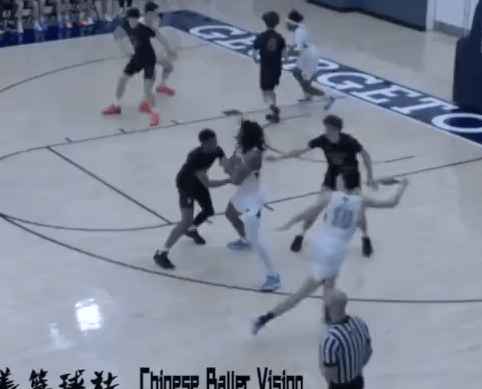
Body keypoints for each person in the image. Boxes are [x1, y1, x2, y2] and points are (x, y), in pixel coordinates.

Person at [252, 177, 408, 335]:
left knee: (327, 287)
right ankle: (265, 318)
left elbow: (307, 213)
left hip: (321, 247)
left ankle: (327, 319)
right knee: (304, 294)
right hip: (334, 253)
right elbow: (391, 203)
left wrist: (289, 223)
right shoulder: (361, 201)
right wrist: (402, 186)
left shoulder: (331, 196)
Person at [269, 114, 377, 256]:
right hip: (331, 178)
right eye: (325, 127)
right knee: (317, 207)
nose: (326, 130)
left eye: (328, 127)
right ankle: (301, 234)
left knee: (358, 211)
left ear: (336, 129)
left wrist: (370, 176)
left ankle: (365, 238)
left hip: (351, 179)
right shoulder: (322, 140)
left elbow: (365, 155)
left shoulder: (349, 141)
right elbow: (300, 151)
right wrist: (279, 158)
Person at [153, 129, 231, 270]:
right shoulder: (195, 157)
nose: (216, 144)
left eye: (216, 140)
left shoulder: (217, 150)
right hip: (186, 185)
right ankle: (161, 253)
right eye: (212, 142)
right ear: (204, 143)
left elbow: (225, 162)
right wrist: (229, 180)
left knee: (208, 211)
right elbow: (207, 183)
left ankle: (191, 229)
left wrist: (233, 167)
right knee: (186, 220)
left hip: (198, 183)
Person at [224, 120, 280, 292]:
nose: (237, 134)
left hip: (252, 199)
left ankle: (273, 276)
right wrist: (231, 166)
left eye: (240, 132)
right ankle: (244, 240)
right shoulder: (243, 149)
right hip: (244, 193)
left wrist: (228, 166)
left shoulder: (253, 156)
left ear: (246, 135)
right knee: (230, 213)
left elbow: (235, 179)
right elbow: (233, 168)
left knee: (257, 242)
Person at [100, 5, 173, 127]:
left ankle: (155, 114)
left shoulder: (144, 28)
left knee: (147, 89)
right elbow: (117, 35)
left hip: (149, 58)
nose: (131, 21)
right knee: (122, 79)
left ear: (136, 19)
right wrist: (125, 51)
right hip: (137, 58)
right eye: (130, 19)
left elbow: (158, 35)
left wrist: (168, 48)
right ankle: (116, 105)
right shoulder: (125, 26)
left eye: (133, 19)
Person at [285, 10, 327, 102]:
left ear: (292, 23)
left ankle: (322, 94)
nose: (286, 25)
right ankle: (308, 95)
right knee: (298, 74)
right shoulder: (300, 30)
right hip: (307, 57)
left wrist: (286, 53)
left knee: (301, 78)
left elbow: (298, 51)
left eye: (287, 23)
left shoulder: (299, 32)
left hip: (308, 59)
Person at [252, 11, 286, 123]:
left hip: (266, 67)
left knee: (265, 91)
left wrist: (256, 59)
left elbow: (254, 53)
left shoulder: (261, 37)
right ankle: (274, 113)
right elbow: (285, 55)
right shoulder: (280, 37)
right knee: (271, 90)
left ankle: (271, 107)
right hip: (277, 68)